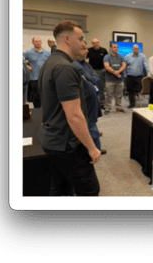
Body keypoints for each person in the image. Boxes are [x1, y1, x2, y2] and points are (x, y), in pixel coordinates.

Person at [37, 21, 101, 195]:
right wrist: (92, 147)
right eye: (80, 38)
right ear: (66, 39)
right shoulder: (65, 68)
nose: (83, 43)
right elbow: (74, 116)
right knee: (90, 191)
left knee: (61, 189)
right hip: (67, 145)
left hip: (54, 141)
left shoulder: (51, 62)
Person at [24, 37, 52, 107]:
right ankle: (37, 114)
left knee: (47, 96)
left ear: (41, 42)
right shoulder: (29, 52)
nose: (38, 42)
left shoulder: (47, 53)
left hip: (45, 78)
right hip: (34, 79)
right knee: (36, 97)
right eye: (36, 41)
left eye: (39, 41)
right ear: (33, 42)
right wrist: (26, 66)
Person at [102, 42, 126, 114]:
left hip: (119, 80)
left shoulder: (121, 57)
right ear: (111, 48)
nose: (116, 49)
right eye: (114, 47)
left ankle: (119, 108)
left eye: (117, 47)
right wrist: (115, 73)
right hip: (109, 80)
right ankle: (107, 108)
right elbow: (106, 66)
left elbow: (124, 66)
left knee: (119, 95)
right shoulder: (107, 57)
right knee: (109, 95)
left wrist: (118, 72)